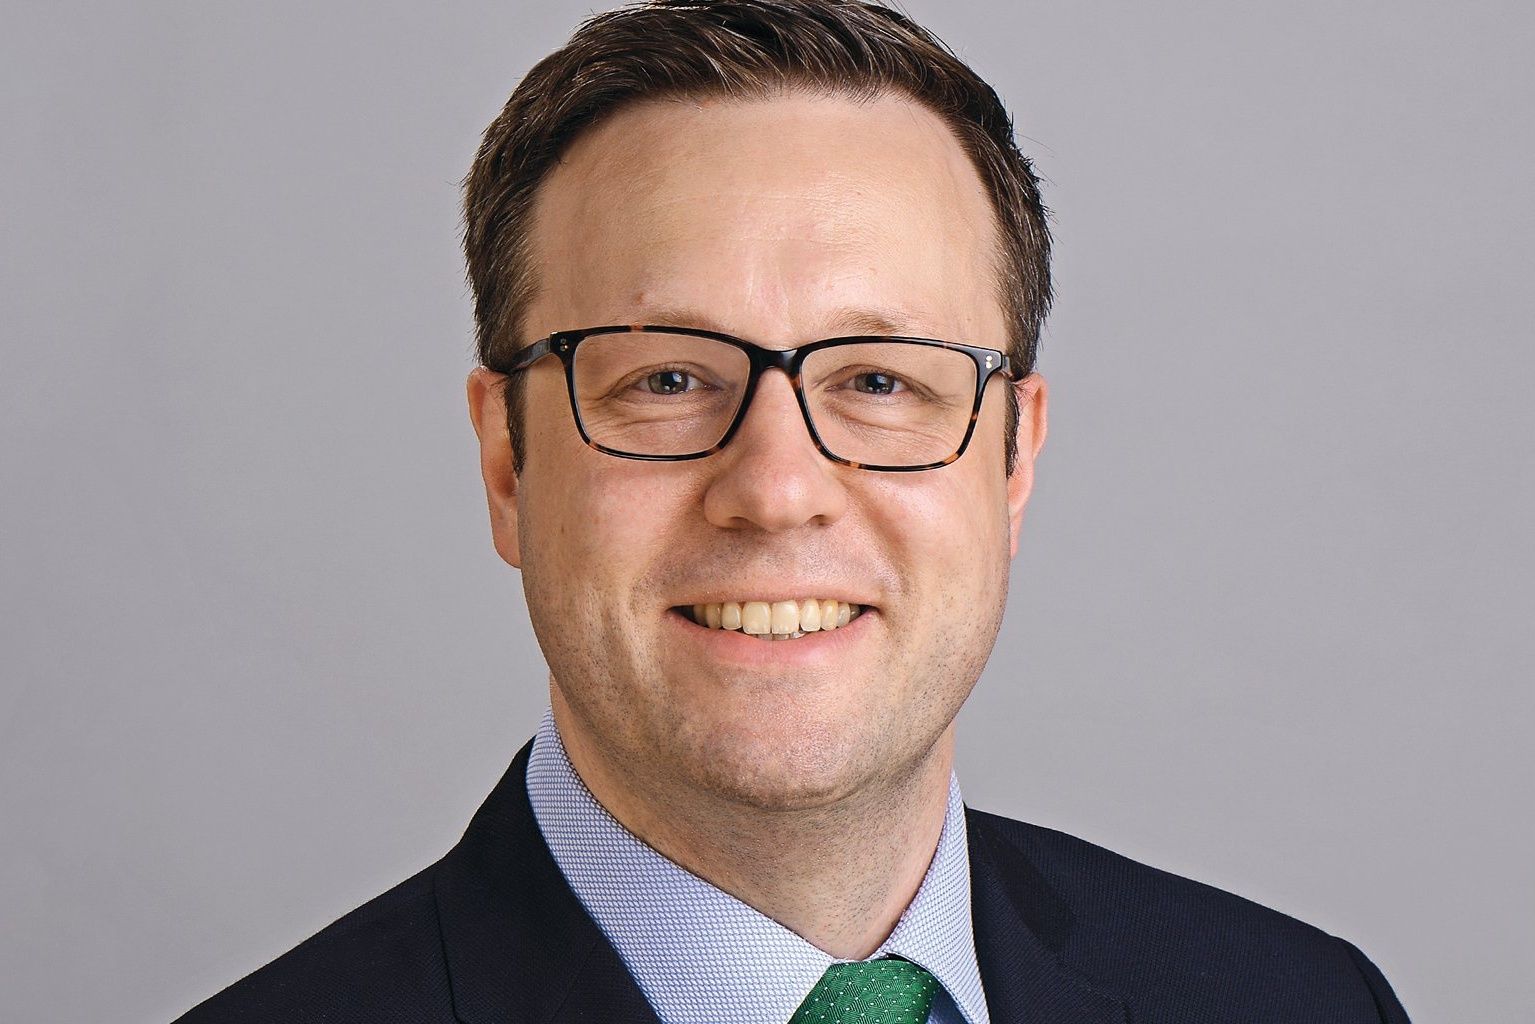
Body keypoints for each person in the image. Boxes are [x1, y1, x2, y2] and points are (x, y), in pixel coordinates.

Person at [175, 1, 1411, 1021]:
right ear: (507, 460)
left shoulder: (1303, 1001)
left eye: (878, 382)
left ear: (1012, 460)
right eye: (666, 379)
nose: (774, 491)